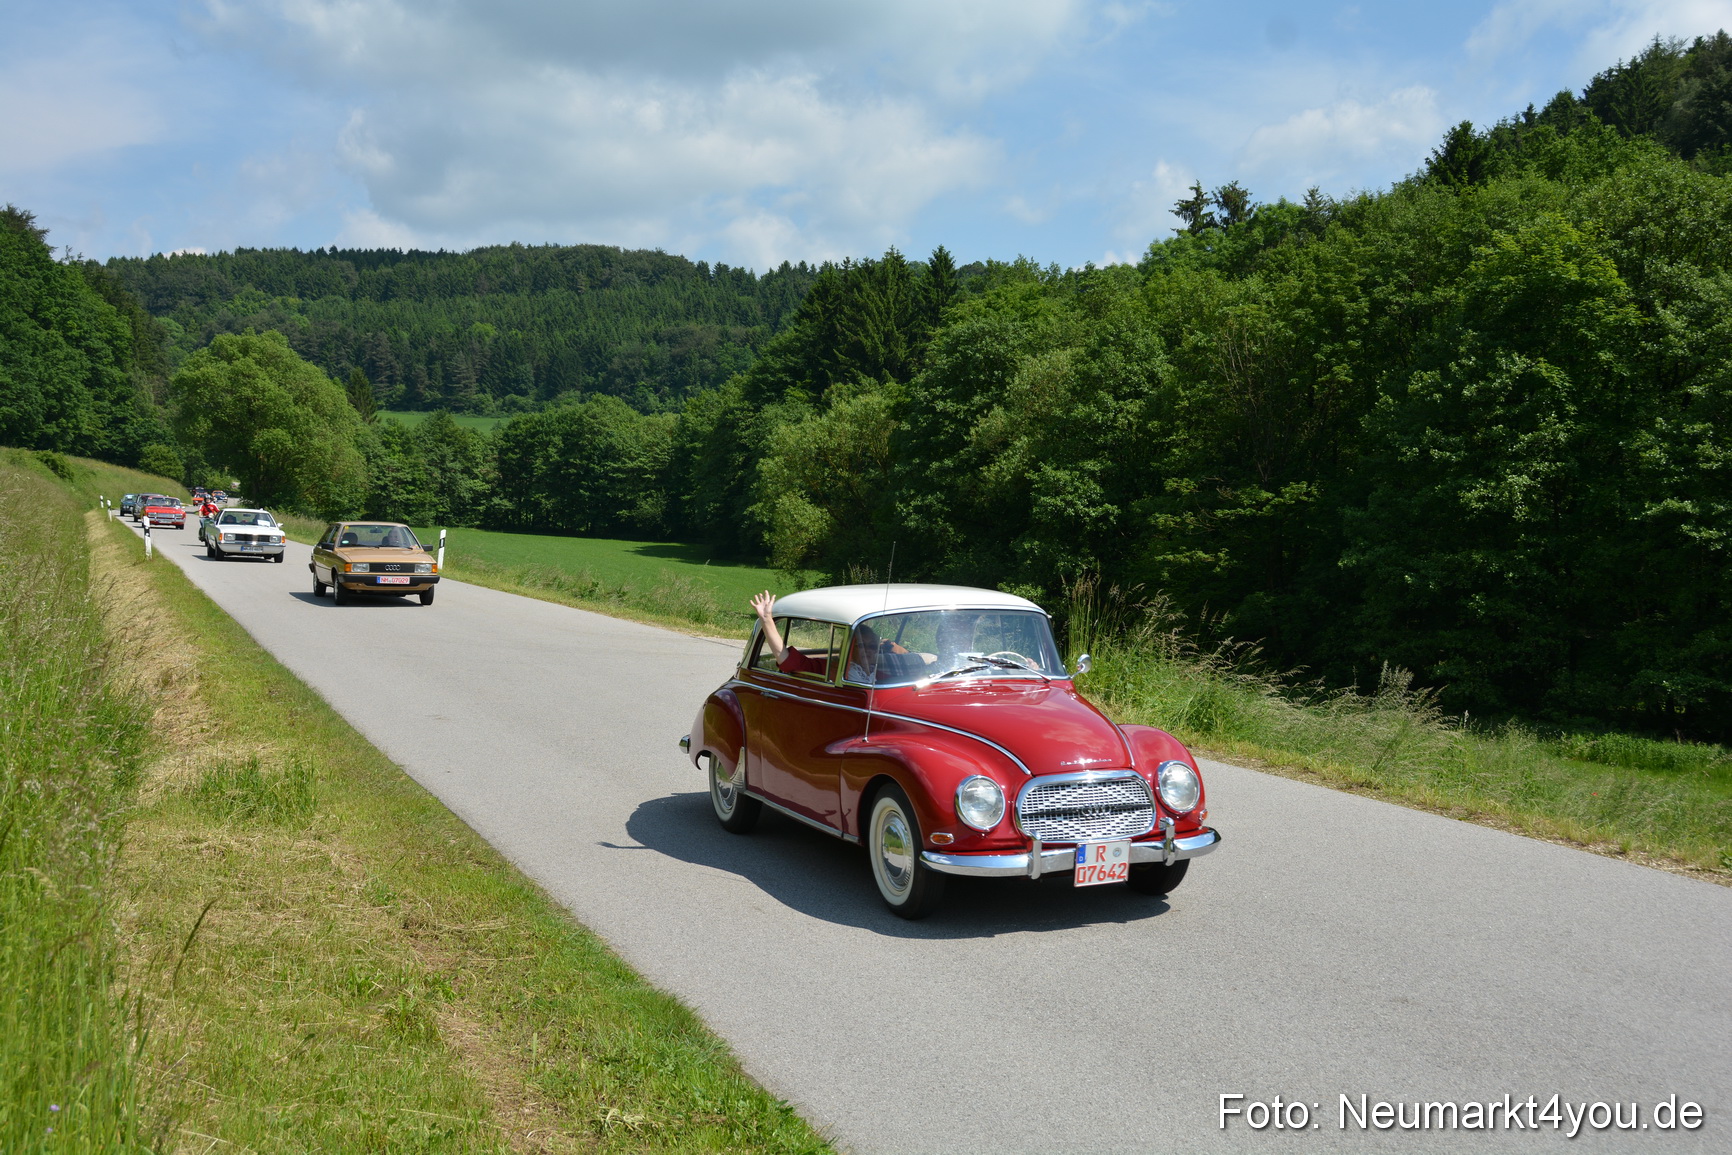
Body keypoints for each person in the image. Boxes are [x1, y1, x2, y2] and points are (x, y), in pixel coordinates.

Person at [750, 591, 900, 683]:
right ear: (848, 649)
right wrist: (767, 620)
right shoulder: (829, 668)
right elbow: (787, 660)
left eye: (872, 646)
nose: (868, 650)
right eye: (860, 645)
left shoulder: (881, 675)